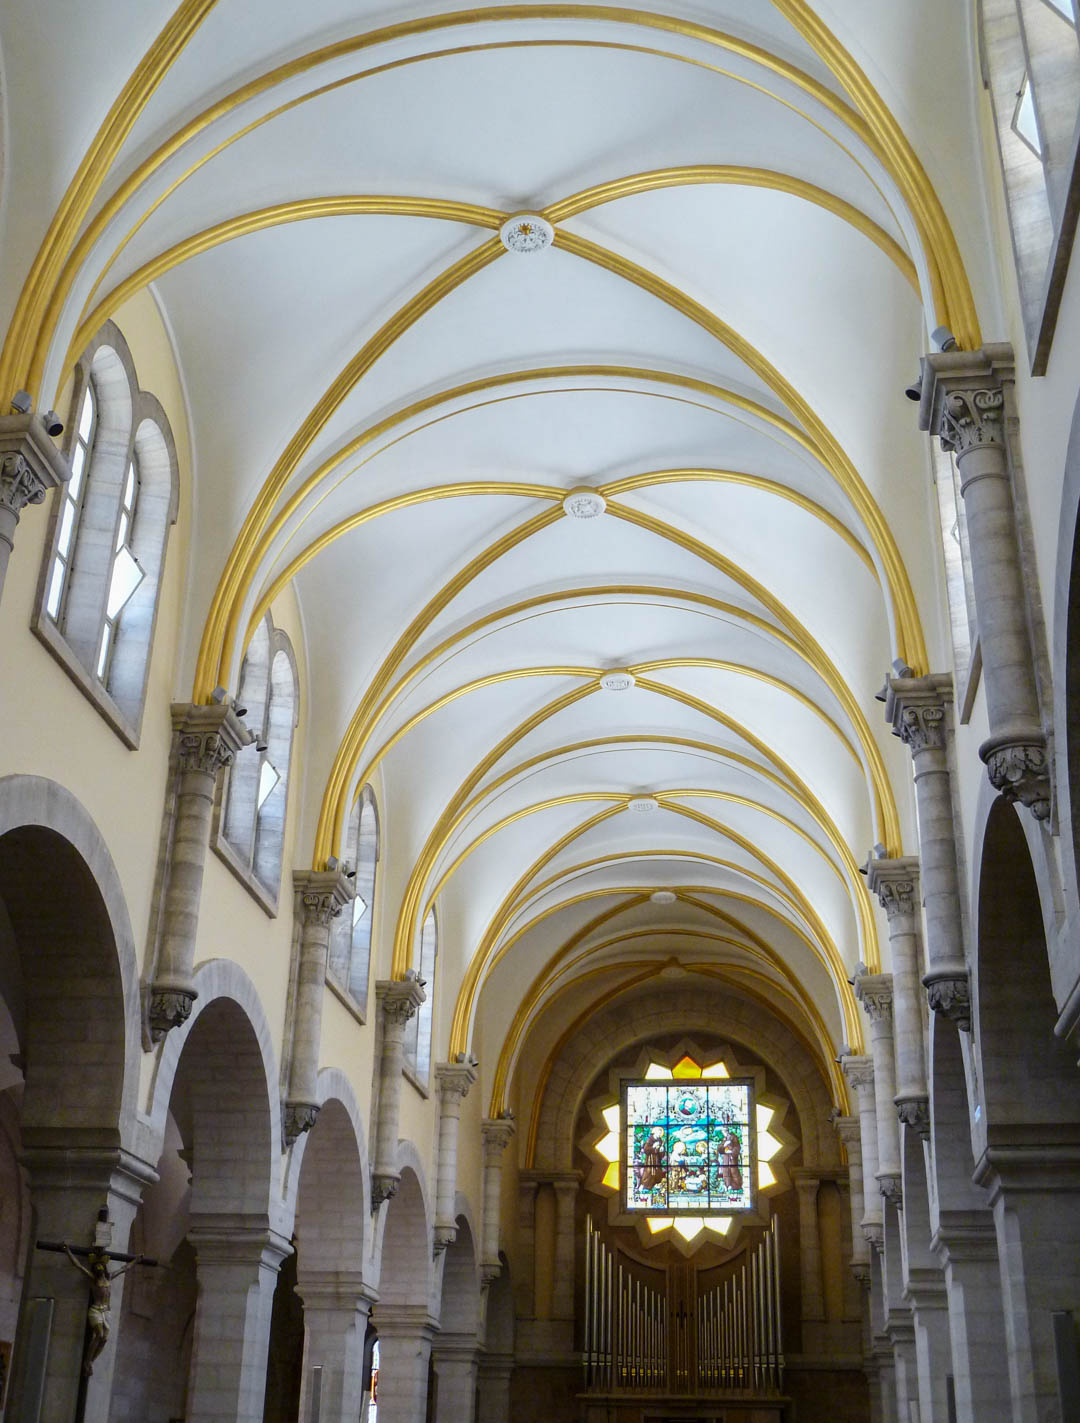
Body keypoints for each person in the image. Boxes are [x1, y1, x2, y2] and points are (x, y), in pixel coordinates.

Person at [62, 1244, 144, 1376]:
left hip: (106, 1311)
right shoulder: (93, 1279)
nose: (99, 1267)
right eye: (97, 1266)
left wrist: (136, 1260)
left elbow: (124, 1268)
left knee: (104, 1339)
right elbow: (79, 1266)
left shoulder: (109, 1277)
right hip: (95, 1310)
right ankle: (86, 1361)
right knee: (99, 1335)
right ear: (95, 1269)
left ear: (104, 1267)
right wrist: (68, 1252)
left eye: (101, 1265)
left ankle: (90, 1362)